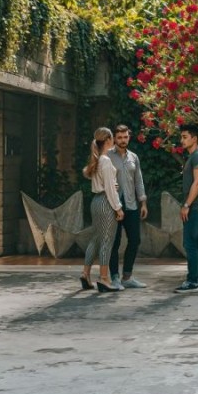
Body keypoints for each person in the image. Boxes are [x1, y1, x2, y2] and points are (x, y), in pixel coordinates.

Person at [80, 127, 123, 293]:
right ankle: (104, 278)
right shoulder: (105, 160)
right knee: (107, 241)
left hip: (96, 201)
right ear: (109, 140)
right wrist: (118, 208)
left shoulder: (97, 160)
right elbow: (110, 189)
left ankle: (85, 274)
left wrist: (112, 184)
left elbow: (105, 183)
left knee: (95, 239)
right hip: (106, 202)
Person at [106, 125, 148, 290]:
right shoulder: (107, 156)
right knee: (114, 243)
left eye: (125, 137)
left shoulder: (133, 157)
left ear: (129, 137)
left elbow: (139, 180)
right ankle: (114, 277)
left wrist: (143, 202)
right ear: (114, 138)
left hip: (131, 205)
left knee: (135, 240)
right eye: (120, 137)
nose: (123, 140)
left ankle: (127, 277)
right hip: (113, 206)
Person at [175, 124, 198, 293]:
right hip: (197, 206)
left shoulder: (197, 156)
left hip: (195, 207)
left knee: (189, 243)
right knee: (197, 242)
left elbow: (197, 183)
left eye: (185, 137)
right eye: (181, 137)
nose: (181, 140)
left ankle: (192, 282)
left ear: (194, 138)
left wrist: (186, 205)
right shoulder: (194, 156)